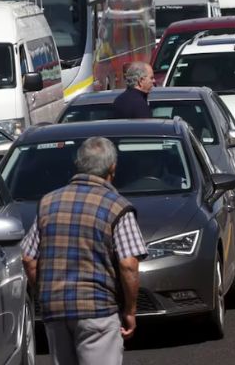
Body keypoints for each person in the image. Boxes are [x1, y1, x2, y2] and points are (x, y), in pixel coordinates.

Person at [22, 137, 147, 365]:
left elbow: (29, 258)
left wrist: (45, 294)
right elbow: (128, 264)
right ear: (112, 168)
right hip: (97, 309)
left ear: (78, 164)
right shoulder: (117, 206)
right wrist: (130, 310)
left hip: (55, 310)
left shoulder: (48, 203)